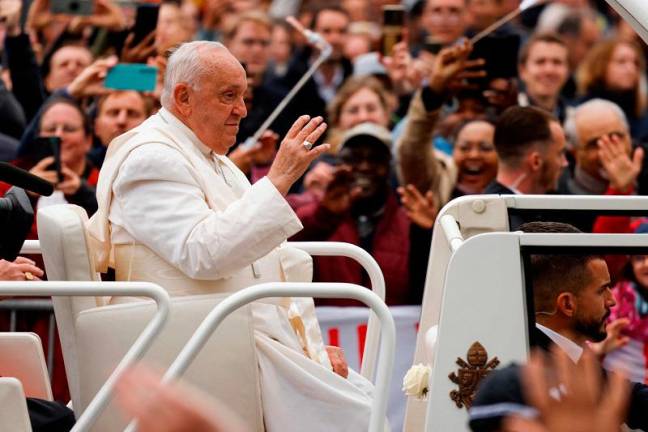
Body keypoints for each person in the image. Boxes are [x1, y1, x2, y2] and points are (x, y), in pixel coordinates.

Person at [87, 40, 377, 432]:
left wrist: (309, 349)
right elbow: (203, 254)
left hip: (236, 331)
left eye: (243, 96)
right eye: (228, 96)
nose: (242, 109)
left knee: (366, 404)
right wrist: (279, 179)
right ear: (184, 97)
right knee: (357, 417)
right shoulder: (151, 157)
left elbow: (261, 257)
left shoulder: (213, 159)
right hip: (199, 340)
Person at [469, 221, 648, 432]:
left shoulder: (555, 352)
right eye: (602, 290)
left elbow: (633, 400)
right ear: (567, 304)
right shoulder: (538, 367)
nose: (612, 301)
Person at [576, 38, 648, 141]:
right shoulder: (580, 111)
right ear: (600, 65)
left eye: (636, 63)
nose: (631, 69)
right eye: (621, 62)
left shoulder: (642, 114)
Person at [517, 33, 571, 124]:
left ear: (568, 70)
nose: (549, 70)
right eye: (540, 62)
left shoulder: (577, 122)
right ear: (523, 71)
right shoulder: (503, 116)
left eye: (557, 62)